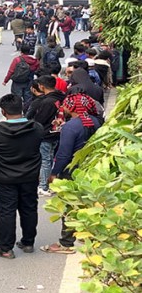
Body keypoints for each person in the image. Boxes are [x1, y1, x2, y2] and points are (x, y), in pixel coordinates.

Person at [0, 94, 44, 258]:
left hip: (2, 178)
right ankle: (28, 242)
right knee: (29, 208)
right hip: (29, 176)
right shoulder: (36, 128)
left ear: (3, 111)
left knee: (6, 211)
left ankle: (5, 248)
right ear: (22, 108)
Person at [41, 93, 101, 254]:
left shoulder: (71, 127)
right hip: (91, 169)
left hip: (71, 172)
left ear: (72, 107)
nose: (63, 108)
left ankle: (66, 243)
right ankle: (88, 236)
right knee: (88, 204)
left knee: (69, 205)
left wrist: (53, 173)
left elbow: (63, 154)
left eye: (66, 105)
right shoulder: (96, 122)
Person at [26, 76, 66, 197]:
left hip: (46, 134)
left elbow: (40, 120)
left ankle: (43, 186)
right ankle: (47, 183)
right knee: (49, 159)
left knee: (45, 161)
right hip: (56, 132)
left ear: (42, 86)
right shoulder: (60, 96)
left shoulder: (47, 102)